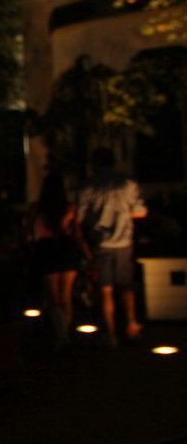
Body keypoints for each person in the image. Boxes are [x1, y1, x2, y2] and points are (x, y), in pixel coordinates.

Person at [77, 147, 147, 345]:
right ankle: (131, 325)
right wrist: (122, 213)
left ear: (95, 163)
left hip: (101, 243)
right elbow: (141, 211)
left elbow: (81, 218)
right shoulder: (127, 182)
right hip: (124, 241)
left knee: (105, 289)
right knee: (126, 286)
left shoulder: (88, 186)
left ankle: (111, 333)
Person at [25, 170, 86, 348]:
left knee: (53, 297)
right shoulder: (69, 207)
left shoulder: (36, 208)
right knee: (67, 295)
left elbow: (28, 233)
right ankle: (65, 332)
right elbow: (77, 234)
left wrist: (31, 249)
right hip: (67, 248)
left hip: (46, 250)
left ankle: (61, 335)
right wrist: (87, 255)